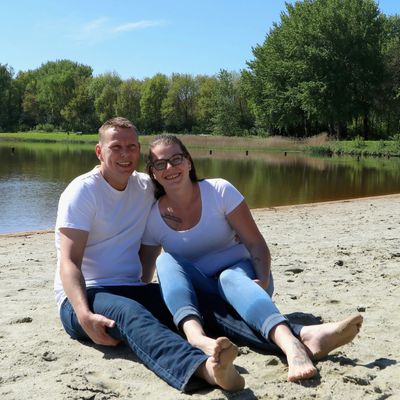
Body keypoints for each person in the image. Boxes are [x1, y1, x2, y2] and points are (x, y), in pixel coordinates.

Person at [142, 134, 364, 382]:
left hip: (246, 281)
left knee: (228, 277)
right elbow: (144, 275)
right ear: (153, 173)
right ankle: (197, 338)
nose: (170, 167)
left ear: (189, 162)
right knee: (165, 261)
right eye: (160, 164)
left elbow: (255, 242)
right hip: (204, 297)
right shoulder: (153, 217)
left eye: (176, 159)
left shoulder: (219, 191)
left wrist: (263, 278)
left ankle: (292, 345)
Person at [54, 117, 245, 393]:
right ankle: (205, 369)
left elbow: (182, 198)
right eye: (116, 147)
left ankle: (289, 337)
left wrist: (225, 227)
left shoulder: (145, 186)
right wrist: (83, 315)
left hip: (133, 287)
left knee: (193, 303)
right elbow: (69, 261)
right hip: (85, 295)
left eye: (131, 147)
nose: (125, 154)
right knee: (132, 313)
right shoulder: (82, 191)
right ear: (99, 151)